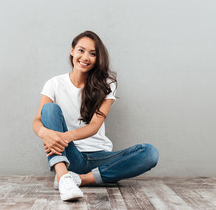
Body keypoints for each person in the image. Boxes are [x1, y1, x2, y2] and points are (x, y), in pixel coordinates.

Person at [32, 30, 159, 201]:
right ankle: (63, 176)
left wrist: (61, 138)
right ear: (72, 51)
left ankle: (78, 179)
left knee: (150, 153)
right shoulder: (54, 83)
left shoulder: (106, 84)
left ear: (98, 59)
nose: (85, 57)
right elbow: (38, 121)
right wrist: (46, 134)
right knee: (49, 109)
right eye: (81, 50)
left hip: (100, 157)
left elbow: (94, 127)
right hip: (71, 155)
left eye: (93, 54)